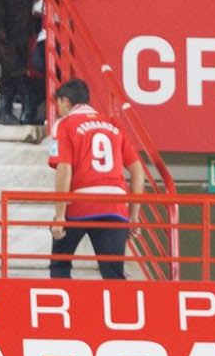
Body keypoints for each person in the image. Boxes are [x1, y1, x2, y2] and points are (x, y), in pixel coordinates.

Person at [46, 77, 146, 280]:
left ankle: (66, 309)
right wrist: (133, 216)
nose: (58, 110)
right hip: (115, 205)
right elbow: (137, 170)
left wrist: (59, 216)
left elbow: (64, 169)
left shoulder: (64, 124)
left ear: (65, 101)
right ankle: (116, 312)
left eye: (58, 104)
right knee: (113, 274)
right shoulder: (113, 125)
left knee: (60, 266)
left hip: (81, 202)